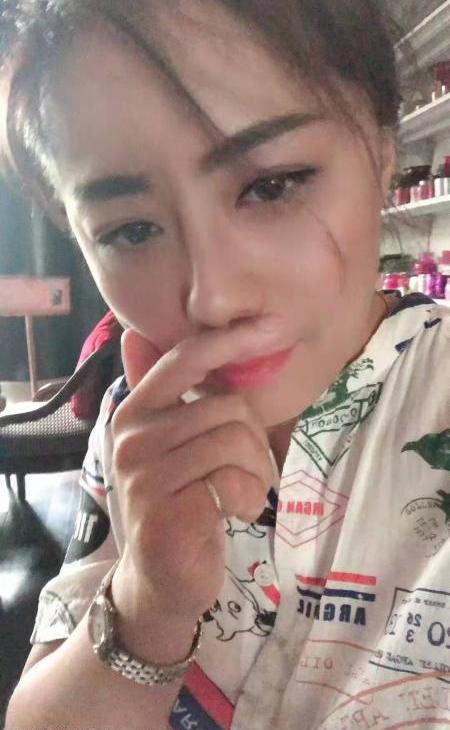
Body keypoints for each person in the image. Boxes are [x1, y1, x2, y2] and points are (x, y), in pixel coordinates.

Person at [2, 1, 449, 728]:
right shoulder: (135, 424)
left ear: (382, 146)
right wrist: (148, 605)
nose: (212, 299)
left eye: (271, 185)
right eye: (132, 230)